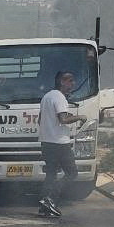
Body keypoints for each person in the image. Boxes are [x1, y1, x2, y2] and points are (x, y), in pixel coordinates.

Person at [38, 71, 87, 216]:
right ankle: (51, 199)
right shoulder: (60, 98)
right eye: (70, 81)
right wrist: (80, 117)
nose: (73, 84)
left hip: (46, 142)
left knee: (51, 174)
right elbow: (63, 120)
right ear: (61, 82)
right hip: (60, 143)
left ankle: (44, 207)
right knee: (72, 173)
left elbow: (40, 120)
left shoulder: (47, 96)